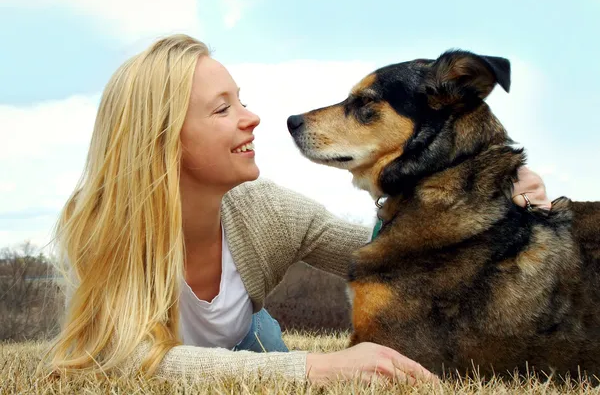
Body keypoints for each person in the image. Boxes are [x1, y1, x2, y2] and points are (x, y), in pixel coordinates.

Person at [39, 34, 551, 385]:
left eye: (241, 100)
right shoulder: (101, 225)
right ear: (163, 137)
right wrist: (311, 369)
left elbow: (402, 256)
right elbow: (122, 363)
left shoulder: (266, 212)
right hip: (230, 362)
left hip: (251, 345)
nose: (254, 118)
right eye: (223, 109)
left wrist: (492, 197)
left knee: (261, 338)